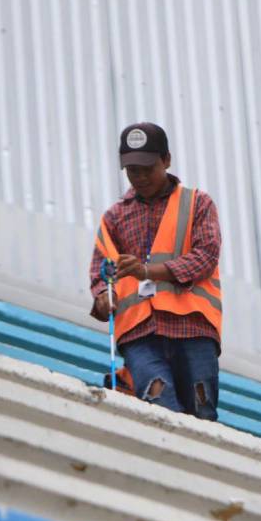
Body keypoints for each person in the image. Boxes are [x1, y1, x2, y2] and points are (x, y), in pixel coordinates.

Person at [89, 122, 222, 420]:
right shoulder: (114, 218)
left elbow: (206, 256)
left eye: (148, 168)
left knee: (202, 413)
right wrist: (102, 297)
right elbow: (101, 275)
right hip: (139, 333)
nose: (140, 176)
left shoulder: (197, 204)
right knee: (160, 406)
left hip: (192, 328)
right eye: (132, 170)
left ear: (167, 160)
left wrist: (148, 271)